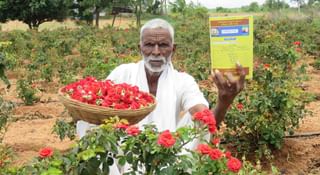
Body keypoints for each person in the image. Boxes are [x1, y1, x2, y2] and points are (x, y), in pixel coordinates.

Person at [76, 18, 245, 174]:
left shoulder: (183, 81)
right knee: (86, 123)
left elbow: (203, 114)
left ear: (173, 49)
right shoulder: (123, 73)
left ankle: (181, 171)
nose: (156, 52)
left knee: (202, 120)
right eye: (149, 44)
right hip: (124, 152)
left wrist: (224, 102)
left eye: (163, 45)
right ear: (140, 48)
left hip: (167, 152)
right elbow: (97, 103)